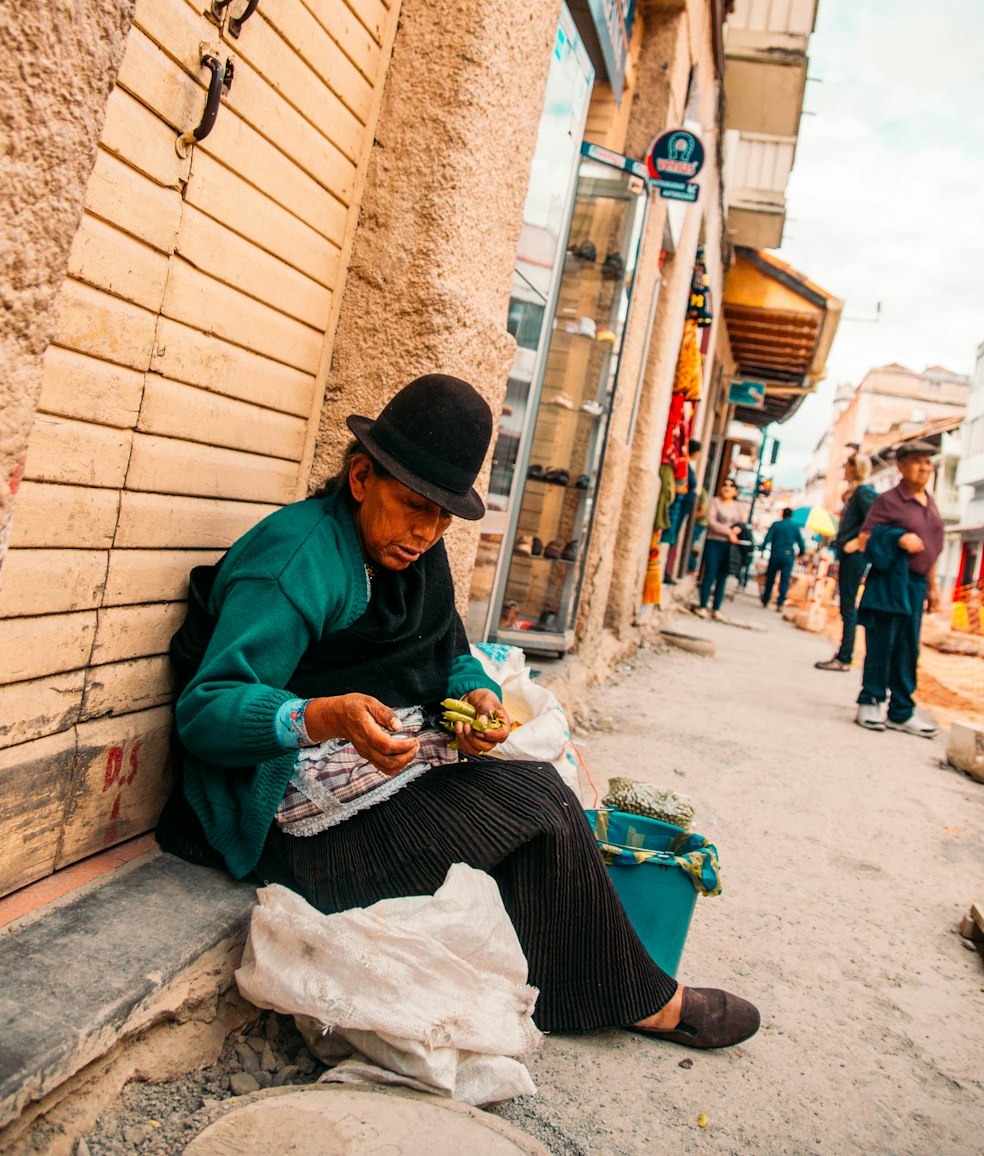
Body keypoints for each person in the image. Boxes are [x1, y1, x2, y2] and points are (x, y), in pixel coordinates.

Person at [158, 374, 759, 1050]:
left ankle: (596, 988)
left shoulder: (417, 552)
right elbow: (206, 711)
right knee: (533, 810)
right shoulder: (297, 559)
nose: (426, 530)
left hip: (369, 776)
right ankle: (646, 1001)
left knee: (539, 793)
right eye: (413, 506)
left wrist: (480, 698)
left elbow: (451, 654)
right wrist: (325, 716)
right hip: (288, 826)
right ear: (361, 479)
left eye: (442, 515)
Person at [852, 440, 944, 737]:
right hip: (890, 582)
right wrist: (898, 538)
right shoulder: (889, 501)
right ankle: (870, 700)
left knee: (908, 648)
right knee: (882, 642)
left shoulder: (931, 503)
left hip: (916, 585)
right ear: (900, 467)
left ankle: (901, 711)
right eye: (917, 461)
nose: (924, 467)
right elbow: (865, 539)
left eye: (928, 462)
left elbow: (931, 550)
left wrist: (932, 588)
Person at [815, 454, 876, 672]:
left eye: (847, 466)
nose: (844, 470)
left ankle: (844, 656)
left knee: (848, 607)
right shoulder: (854, 494)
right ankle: (844, 654)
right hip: (847, 555)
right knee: (846, 606)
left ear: (854, 468)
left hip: (854, 556)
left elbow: (874, 519)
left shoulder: (863, 493)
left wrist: (857, 543)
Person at [694, 479, 742, 620]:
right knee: (710, 573)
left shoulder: (738, 506)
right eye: (724, 484)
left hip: (730, 545)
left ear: (735, 491)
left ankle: (716, 608)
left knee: (722, 576)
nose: (727, 487)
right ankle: (703, 605)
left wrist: (735, 532)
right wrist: (729, 532)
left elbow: (741, 523)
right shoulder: (715, 502)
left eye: (731, 486)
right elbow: (712, 521)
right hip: (714, 541)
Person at [663, 439, 701, 584]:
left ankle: (667, 572)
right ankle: (666, 572)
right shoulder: (684, 465)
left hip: (681, 508)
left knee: (673, 537)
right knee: (670, 535)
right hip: (676, 509)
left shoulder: (687, 466)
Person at [760, 509, 806, 610]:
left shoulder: (776, 525)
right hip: (788, 555)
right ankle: (780, 603)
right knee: (784, 580)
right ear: (791, 516)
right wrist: (801, 553)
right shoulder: (795, 527)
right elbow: (801, 542)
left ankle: (766, 599)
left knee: (770, 578)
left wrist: (762, 550)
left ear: (782, 514)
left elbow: (768, 538)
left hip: (775, 554)